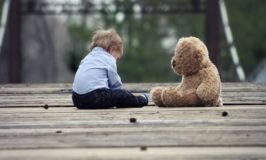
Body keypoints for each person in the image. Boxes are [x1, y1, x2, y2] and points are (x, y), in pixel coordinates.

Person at [72, 28, 148, 109]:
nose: (116, 59)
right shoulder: (108, 59)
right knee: (123, 95)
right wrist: (119, 94)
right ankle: (141, 100)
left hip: (76, 99)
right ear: (113, 49)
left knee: (111, 95)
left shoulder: (88, 57)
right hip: (94, 97)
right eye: (117, 57)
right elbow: (115, 83)